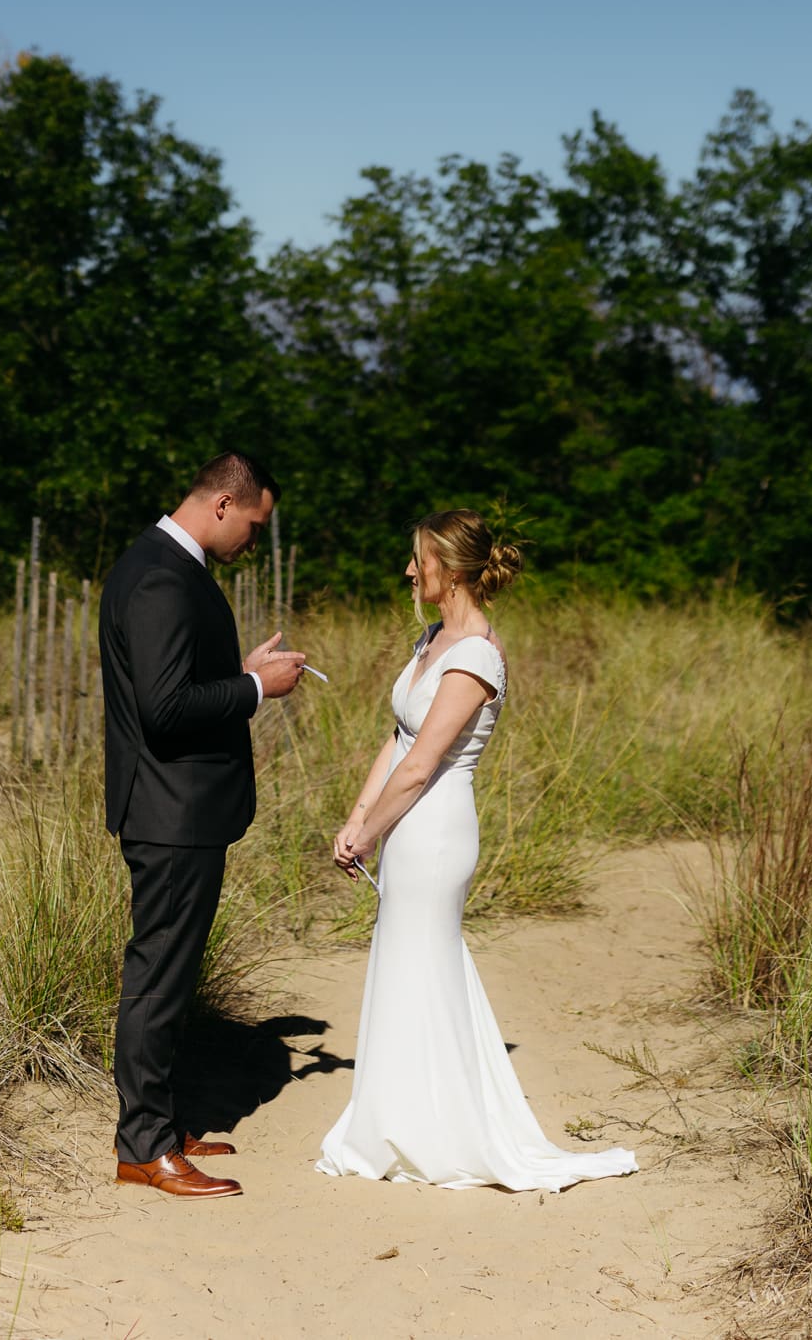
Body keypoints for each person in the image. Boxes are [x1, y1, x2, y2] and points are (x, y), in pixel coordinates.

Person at [316, 509, 638, 1191]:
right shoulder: (432, 639)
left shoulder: (476, 656)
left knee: (424, 962)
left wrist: (370, 830)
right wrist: (356, 818)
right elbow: (395, 741)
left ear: (451, 569)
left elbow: (422, 765)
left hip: (433, 832)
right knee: (405, 966)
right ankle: (403, 1115)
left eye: (419, 559)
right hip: (403, 823)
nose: (409, 570)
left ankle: (438, 1130)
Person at [99, 451, 306, 1199]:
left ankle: (160, 1122)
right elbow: (163, 708)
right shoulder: (160, 576)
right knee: (157, 975)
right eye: (253, 525)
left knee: (173, 974)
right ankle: (143, 1147)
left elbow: (177, 682)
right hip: (170, 810)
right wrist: (255, 686)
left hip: (177, 808)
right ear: (223, 503)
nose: (254, 540)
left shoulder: (165, 566)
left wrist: (238, 668)